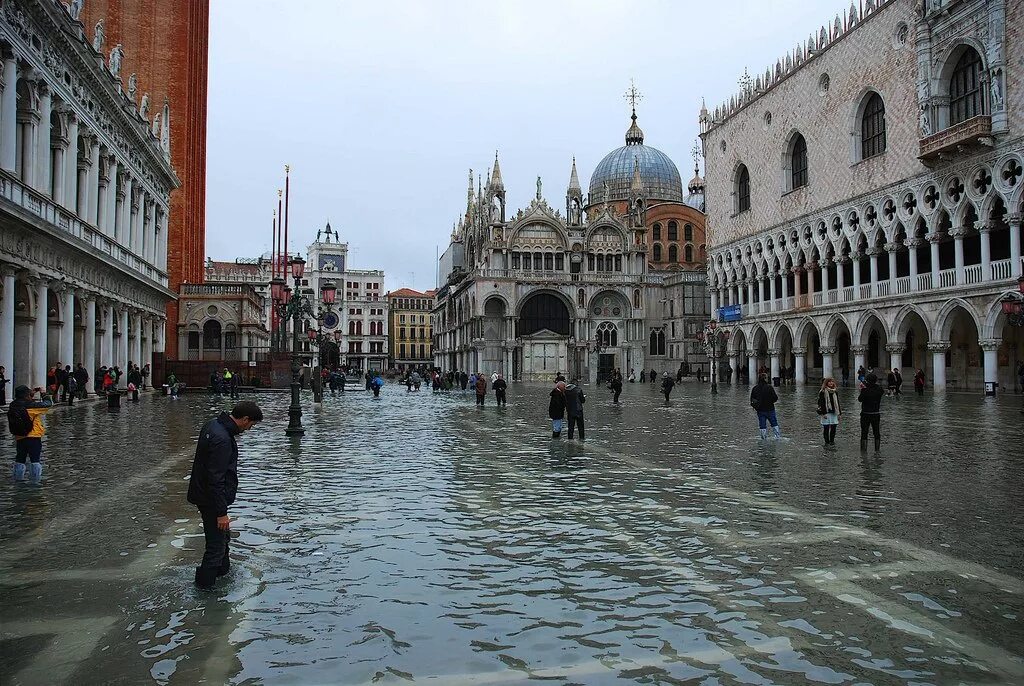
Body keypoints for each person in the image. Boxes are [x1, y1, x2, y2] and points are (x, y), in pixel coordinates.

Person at [187, 401, 263, 589]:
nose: (249, 428)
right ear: (245, 419)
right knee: (216, 546)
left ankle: (223, 573)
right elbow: (216, 478)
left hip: (203, 494)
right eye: (251, 424)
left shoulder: (213, 425)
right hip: (212, 499)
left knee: (222, 540)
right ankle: (204, 590)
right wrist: (222, 512)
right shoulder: (222, 439)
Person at [8, 385, 53, 483]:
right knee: (35, 461)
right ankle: (35, 483)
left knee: (20, 459)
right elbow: (48, 404)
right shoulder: (31, 406)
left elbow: (24, 400)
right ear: (27, 395)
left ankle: (18, 481)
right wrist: (43, 393)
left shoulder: (13, 405)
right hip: (33, 436)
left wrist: (30, 394)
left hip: (19, 436)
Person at [750, 373, 781, 440]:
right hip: (770, 409)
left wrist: (756, 407)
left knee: (762, 425)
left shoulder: (755, 388)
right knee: (774, 424)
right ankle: (777, 437)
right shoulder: (769, 387)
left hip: (760, 410)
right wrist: (770, 402)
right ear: (765, 379)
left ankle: (763, 438)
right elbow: (775, 398)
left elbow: (752, 400)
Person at [858, 372, 884, 452]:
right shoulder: (879, 389)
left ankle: (863, 450)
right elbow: (881, 392)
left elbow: (860, 399)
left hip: (865, 413)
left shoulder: (865, 390)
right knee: (876, 432)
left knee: (864, 432)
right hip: (876, 413)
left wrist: (862, 389)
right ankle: (877, 449)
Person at [816, 377, 841, 446]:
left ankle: (832, 441)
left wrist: (839, 414)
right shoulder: (822, 391)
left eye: (832, 381)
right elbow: (821, 403)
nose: (831, 383)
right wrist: (823, 413)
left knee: (833, 428)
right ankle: (826, 442)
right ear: (826, 383)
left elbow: (837, 403)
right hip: (826, 413)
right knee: (826, 428)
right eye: (829, 381)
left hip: (834, 412)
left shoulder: (835, 391)